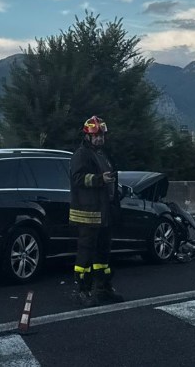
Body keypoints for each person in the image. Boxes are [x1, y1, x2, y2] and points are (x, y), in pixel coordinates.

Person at [69, 115, 124, 307]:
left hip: (104, 212)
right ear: (88, 137)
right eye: (96, 136)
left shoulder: (103, 155)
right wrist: (99, 179)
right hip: (88, 212)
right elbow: (78, 178)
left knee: (103, 253)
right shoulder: (81, 155)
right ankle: (81, 290)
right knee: (85, 253)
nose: (99, 139)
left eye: (102, 135)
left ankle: (102, 288)